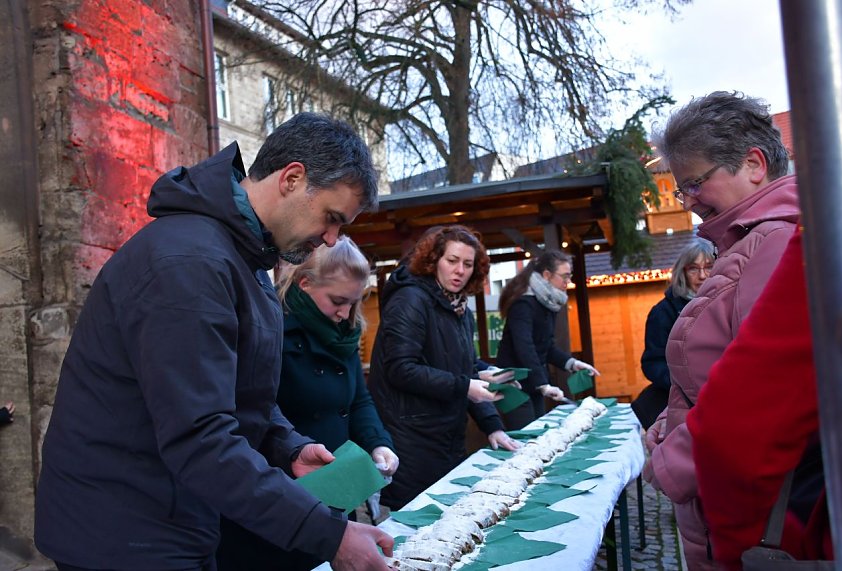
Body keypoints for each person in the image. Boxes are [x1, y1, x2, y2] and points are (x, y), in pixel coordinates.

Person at [34, 113, 394, 571]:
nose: (330, 239)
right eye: (331, 218)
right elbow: (200, 436)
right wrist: (331, 536)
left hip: (166, 520)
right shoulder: (190, 263)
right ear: (292, 178)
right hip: (126, 535)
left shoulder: (243, 260)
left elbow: (238, 395)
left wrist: (287, 447)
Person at [642, 91, 800, 569]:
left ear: (753, 163)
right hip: (738, 501)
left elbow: (768, 391)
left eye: (693, 183)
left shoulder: (775, 240)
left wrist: (672, 461)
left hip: (758, 508)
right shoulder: (750, 241)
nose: (687, 201)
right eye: (680, 189)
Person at [217, 236, 399, 571]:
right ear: (305, 283)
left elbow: (358, 400)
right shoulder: (271, 330)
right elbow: (254, 413)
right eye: (338, 301)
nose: (346, 314)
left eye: (354, 303)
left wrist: (378, 444)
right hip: (279, 495)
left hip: (333, 488)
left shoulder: (344, 333)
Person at [687, 228, 831, 569]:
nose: (689, 196)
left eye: (696, 181)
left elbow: (735, 423)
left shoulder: (830, 216)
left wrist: (753, 545)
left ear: (756, 170)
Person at [368, 225, 519, 510]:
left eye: (467, 264)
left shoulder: (460, 308)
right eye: (452, 261)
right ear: (434, 259)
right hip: (410, 438)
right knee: (417, 528)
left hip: (446, 436)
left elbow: (464, 367)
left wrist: (493, 426)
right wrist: (466, 386)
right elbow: (400, 369)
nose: (460, 270)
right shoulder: (410, 299)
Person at [494, 249, 600, 430]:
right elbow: (524, 347)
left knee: (539, 432)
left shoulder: (547, 302)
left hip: (532, 381)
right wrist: (543, 383)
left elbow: (546, 347)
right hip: (512, 383)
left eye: (570, 276)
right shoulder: (524, 303)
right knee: (526, 437)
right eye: (565, 276)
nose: (568, 282)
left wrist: (572, 363)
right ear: (547, 275)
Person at [632, 238, 716, 429]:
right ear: (682, 272)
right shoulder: (663, 312)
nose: (702, 275)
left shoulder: (726, 304)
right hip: (680, 405)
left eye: (709, 267)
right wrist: (686, 385)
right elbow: (653, 363)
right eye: (694, 269)